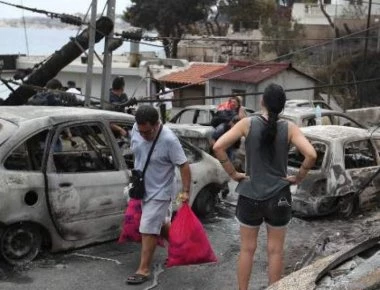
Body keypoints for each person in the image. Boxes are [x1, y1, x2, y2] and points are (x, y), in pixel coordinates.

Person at [213, 83, 317, 290]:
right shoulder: (290, 128)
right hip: (279, 196)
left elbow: (218, 146)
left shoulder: (247, 124)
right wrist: (299, 177)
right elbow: (312, 155)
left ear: (262, 101)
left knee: (247, 250)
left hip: (250, 194)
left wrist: (233, 173)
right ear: (283, 106)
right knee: (276, 251)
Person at [126, 105, 191, 285]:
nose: (143, 135)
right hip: (141, 187)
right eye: (141, 132)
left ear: (156, 125)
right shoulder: (136, 129)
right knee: (159, 223)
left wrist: (185, 192)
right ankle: (181, 248)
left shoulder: (169, 140)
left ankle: (144, 269)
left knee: (148, 227)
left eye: (147, 132)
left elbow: (184, 165)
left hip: (161, 191)